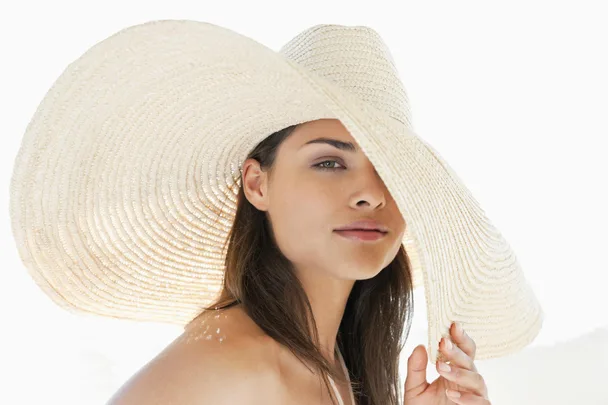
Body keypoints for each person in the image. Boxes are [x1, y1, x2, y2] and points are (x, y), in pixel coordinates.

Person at [10, 20, 538, 405]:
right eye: (330, 162)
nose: (370, 194)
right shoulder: (230, 371)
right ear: (257, 183)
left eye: (391, 170)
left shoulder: (333, 367)